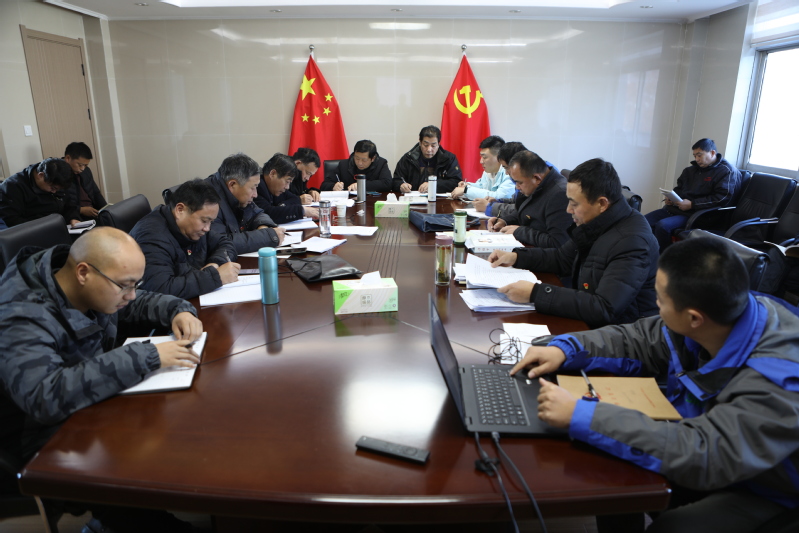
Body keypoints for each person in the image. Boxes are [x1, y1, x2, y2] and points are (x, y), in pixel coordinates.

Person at [511, 237, 799, 533]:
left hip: (768, 485)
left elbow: (707, 454)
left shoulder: (779, 379)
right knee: (613, 470)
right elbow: (636, 339)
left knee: (673, 527)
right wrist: (566, 348)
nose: (656, 305)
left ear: (694, 318)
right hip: (709, 439)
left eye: (660, 299)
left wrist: (582, 415)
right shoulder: (721, 311)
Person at [0, 227, 202, 532]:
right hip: (40, 436)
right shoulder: (20, 317)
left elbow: (134, 301)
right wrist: (144, 356)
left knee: (174, 422)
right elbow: (45, 397)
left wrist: (177, 310)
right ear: (83, 273)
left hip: (86, 405)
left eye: (135, 284)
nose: (130, 294)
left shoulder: (84, 285)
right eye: (124, 285)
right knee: (150, 448)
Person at [489, 158, 659, 328]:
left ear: (602, 203)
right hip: (592, 321)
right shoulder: (596, 222)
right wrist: (516, 257)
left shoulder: (632, 241)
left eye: (574, 203)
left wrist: (535, 293)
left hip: (623, 332)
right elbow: (562, 258)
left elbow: (604, 308)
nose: (568, 210)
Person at [130, 178, 240, 300]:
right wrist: (214, 277)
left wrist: (215, 264)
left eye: (211, 222)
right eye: (204, 221)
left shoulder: (194, 228)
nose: (207, 228)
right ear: (180, 210)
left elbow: (225, 242)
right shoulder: (152, 237)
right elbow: (160, 289)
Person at [645, 138, 741, 252]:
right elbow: (679, 189)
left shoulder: (727, 171)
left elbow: (721, 198)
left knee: (663, 226)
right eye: (695, 156)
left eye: (699, 155)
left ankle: (665, 258)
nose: (697, 159)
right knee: (643, 221)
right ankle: (651, 254)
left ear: (712, 153)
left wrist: (692, 204)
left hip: (699, 214)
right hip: (677, 209)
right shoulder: (690, 171)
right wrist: (671, 197)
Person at [486, 150, 572, 248]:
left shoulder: (560, 194)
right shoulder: (535, 184)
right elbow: (525, 212)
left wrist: (520, 232)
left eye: (519, 183)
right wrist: (505, 221)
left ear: (537, 178)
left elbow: (557, 242)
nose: (517, 187)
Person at [206, 153, 285, 254]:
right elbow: (220, 243)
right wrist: (267, 236)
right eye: (252, 188)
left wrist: (263, 226)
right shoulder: (208, 200)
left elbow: (257, 212)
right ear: (232, 184)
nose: (255, 194)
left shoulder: (238, 196)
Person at [0, 157, 81, 228]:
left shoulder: (56, 180)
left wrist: (73, 218)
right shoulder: (13, 186)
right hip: (33, 231)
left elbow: (69, 205)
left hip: (60, 226)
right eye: (53, 188)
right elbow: (12, 220)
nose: (54, 191)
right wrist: (42, 227)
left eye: (58, 189)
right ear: (40, 175)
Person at [392, 125, 462, 194]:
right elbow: (396, 181)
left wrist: (433, 185)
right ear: (420, 143)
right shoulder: (408, 158)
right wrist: (401, 185)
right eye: (426, 145)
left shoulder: (448, 159)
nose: (429, 149)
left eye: (433, 145)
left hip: (439, 199)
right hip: (414, 199)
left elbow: (456, 182)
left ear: (438, 144)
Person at [254, 153, 318, 223]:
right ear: (273, 174)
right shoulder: (257, 186)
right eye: (287, 181)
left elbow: (295, 198)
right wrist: (302, 210)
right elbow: (267, 213)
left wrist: (281, 206)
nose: (287, 187)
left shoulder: (275, 187)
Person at [450, 136, 514, 202]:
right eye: (481, 157)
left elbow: (501, 197)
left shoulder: (509, 172)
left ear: (498, 157)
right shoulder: (488, 171)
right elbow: (482, 186)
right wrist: (468, 185)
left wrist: (466, 190)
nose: (481, 161)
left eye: (485, 157)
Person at [473, 141, 527, 215]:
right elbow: (516, 201)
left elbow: (522, 209)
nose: (506, 173)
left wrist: (489, 207)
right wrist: (498, 201)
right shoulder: (522, 178)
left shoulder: (528, 179)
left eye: (506, 168)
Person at [321, 139, 392, 193]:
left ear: (373, 158)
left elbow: (387, 184)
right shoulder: (344, 165)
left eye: (364, 160)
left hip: (372, 202)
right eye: (357, 158)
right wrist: (333, 186)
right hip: (348, 203)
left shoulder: (381, 164)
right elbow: (324, 185)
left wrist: (361, 185)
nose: (360, 163)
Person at [64, 141, 107, 221]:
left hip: (93, 212)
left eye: (85, 165)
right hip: (76, 217)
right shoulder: (58, 174)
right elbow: (61, 205)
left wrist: (106, 210)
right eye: (80, 165)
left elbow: (96, 193)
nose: (82, 169)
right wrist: (80, 210)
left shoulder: (86, 171)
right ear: (68, 158)